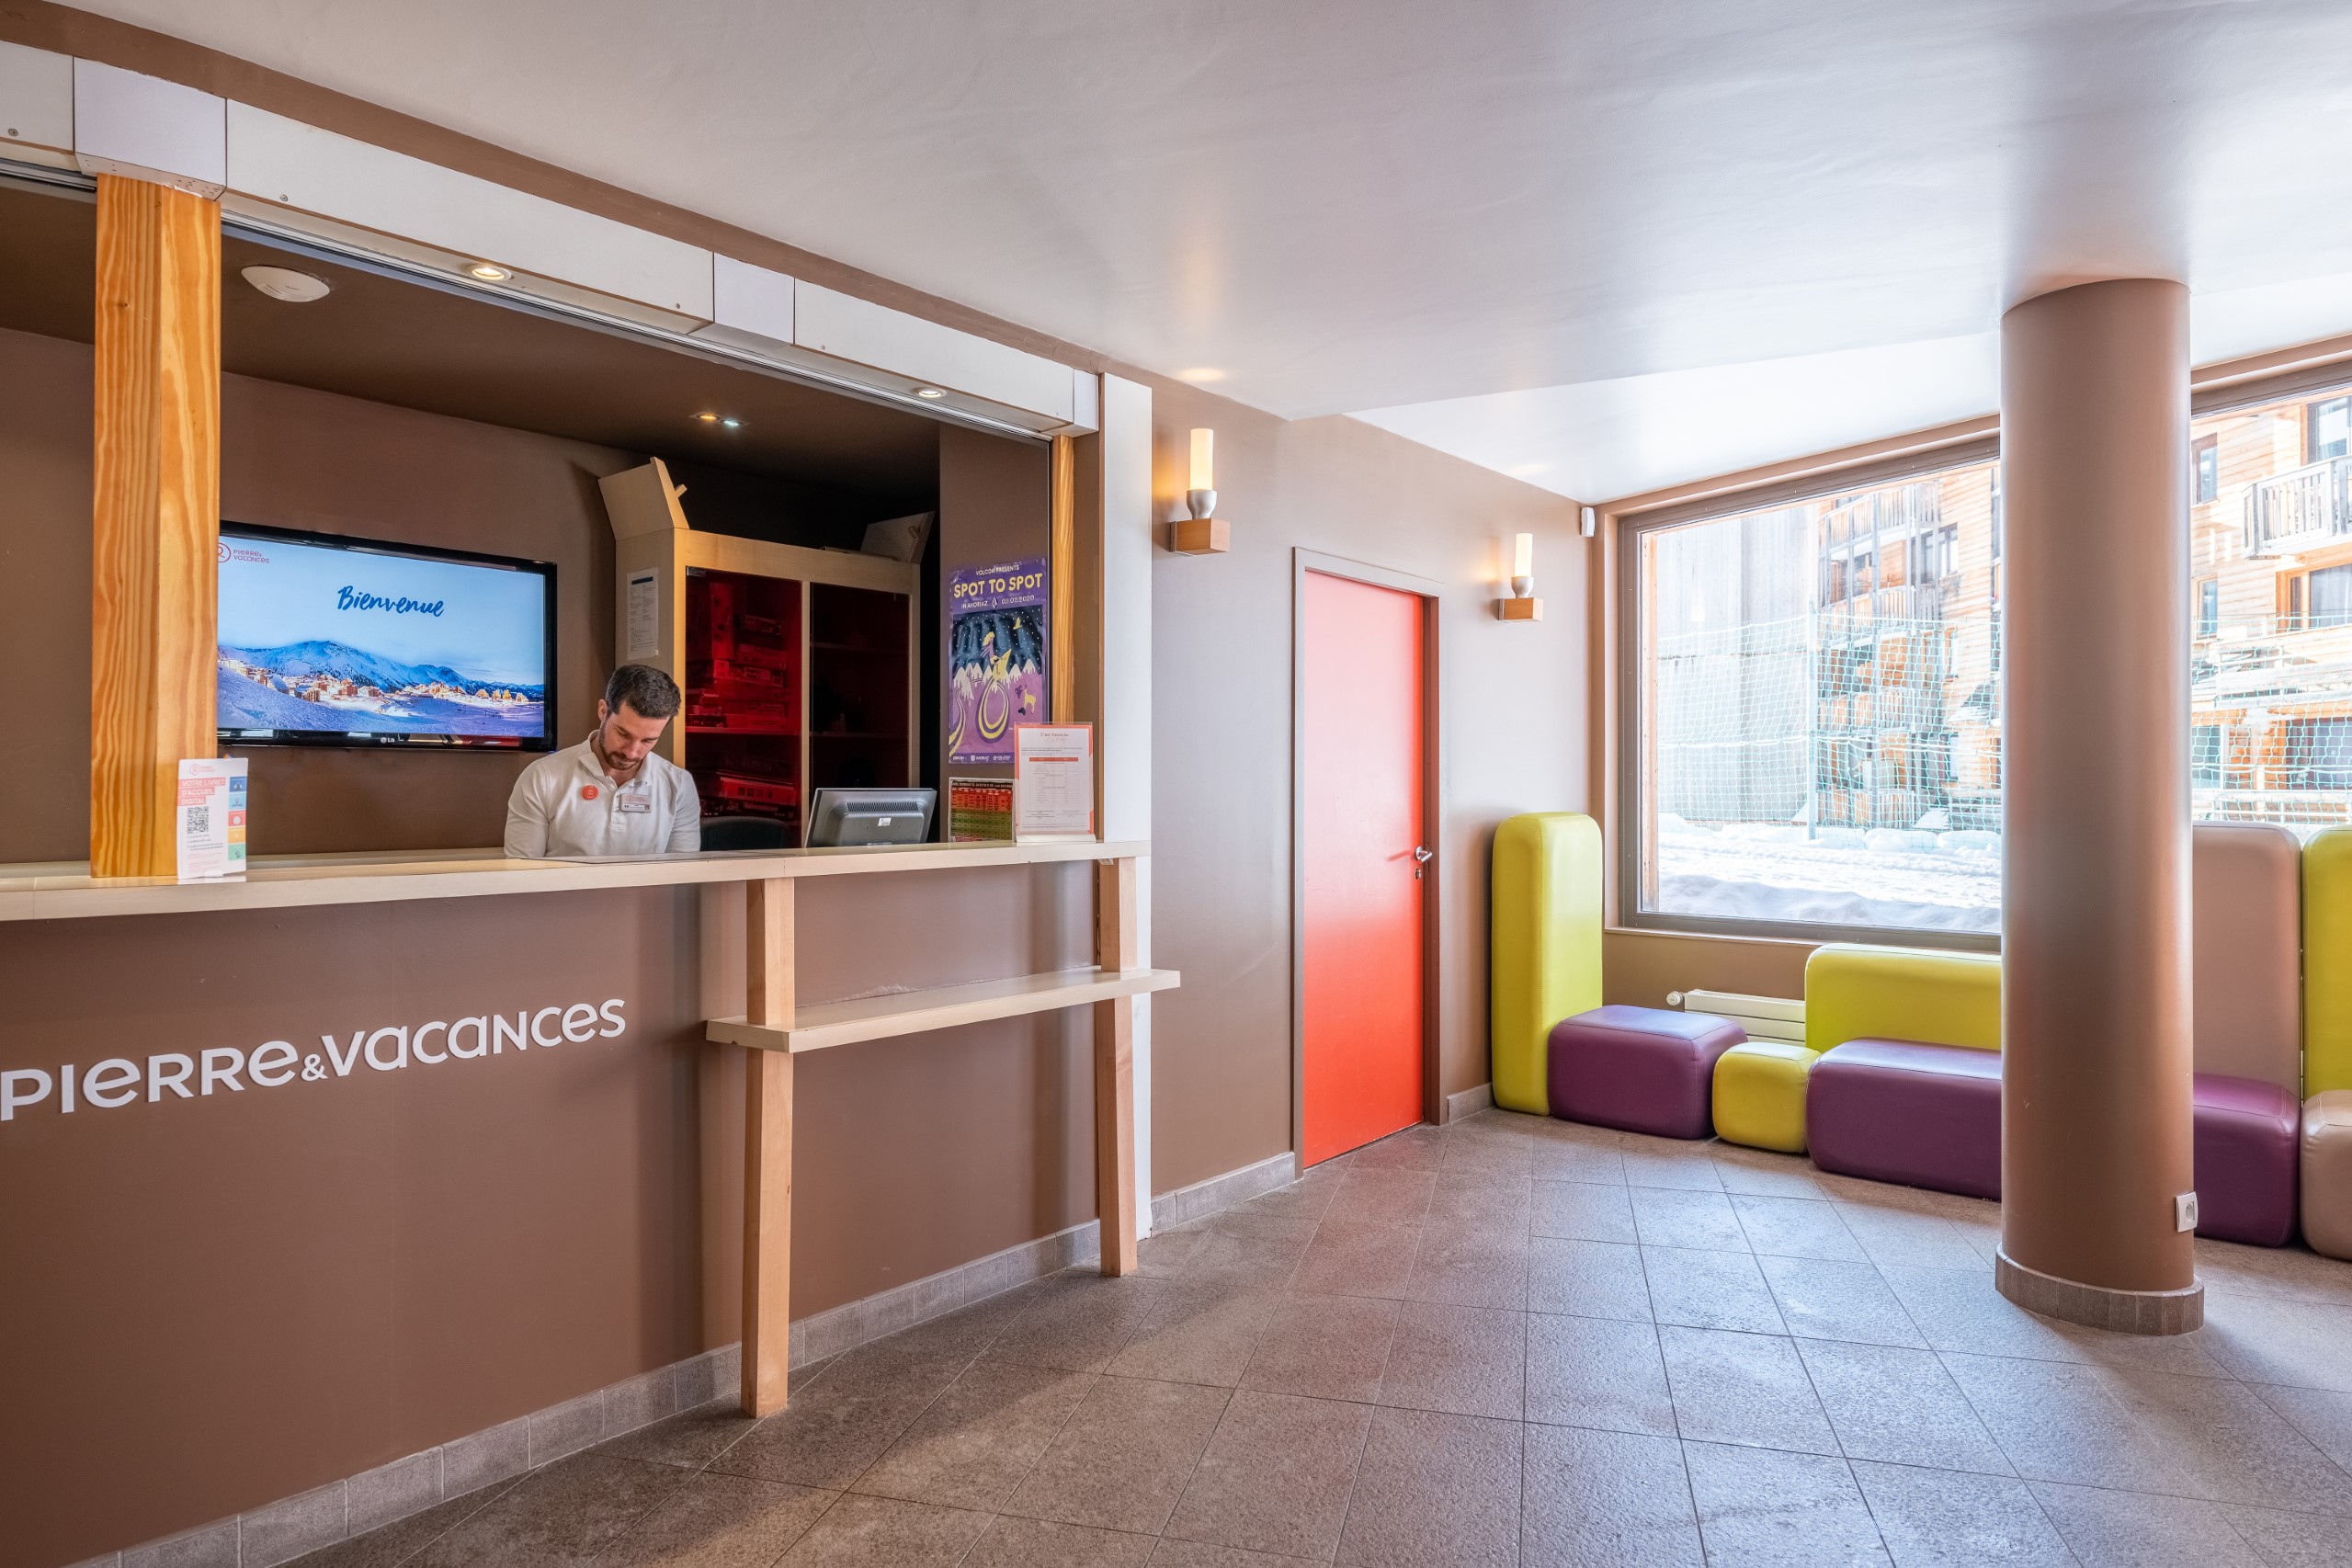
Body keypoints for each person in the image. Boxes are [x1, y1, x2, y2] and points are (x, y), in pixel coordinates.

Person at [506, 665, 701, 858]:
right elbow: (522, 870)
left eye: (648, 741)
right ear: (603, 711)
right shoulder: (542, 777)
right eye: (623, 734)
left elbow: (682, 872)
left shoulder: (679, 786)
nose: (632, 752)